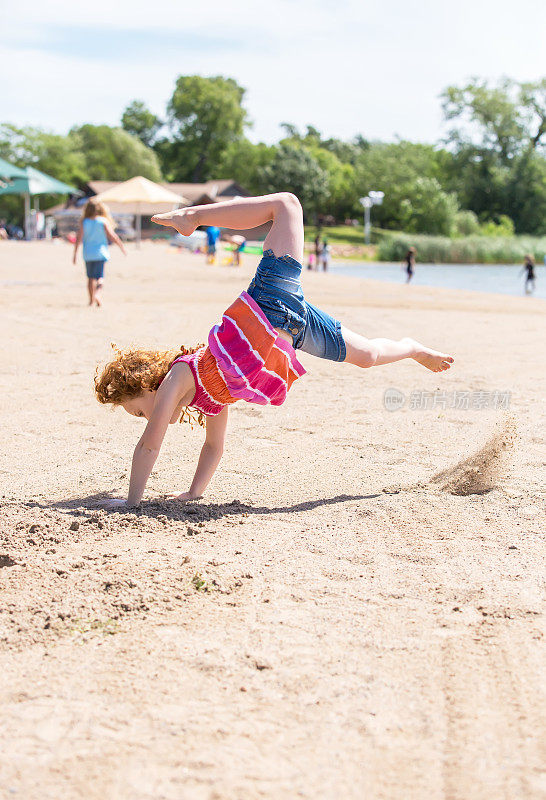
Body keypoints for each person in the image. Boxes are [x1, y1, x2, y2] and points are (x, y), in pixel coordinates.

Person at [94, 193, 453, 508]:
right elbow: (213, 447)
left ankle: (193, 217)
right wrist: (193, 493)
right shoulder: (209, 399)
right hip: (293, 325)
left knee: (286, 205)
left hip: (269, 299)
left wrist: (131, 501)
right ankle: (412, 349)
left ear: (144, 385)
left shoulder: (179, 376)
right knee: (368, 357)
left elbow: (149, 446)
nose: (147, 419)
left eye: (139, 412)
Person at [73, 198, 126, 307]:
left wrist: (75, 254)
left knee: (90, 278)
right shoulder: (103, 221)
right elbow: (113, 236)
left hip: (88, 254)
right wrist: (122, 247)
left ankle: (91, 300)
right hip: (100, 253)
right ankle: (98, 293)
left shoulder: (85, 222)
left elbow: (78, 238)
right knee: (100, 277)